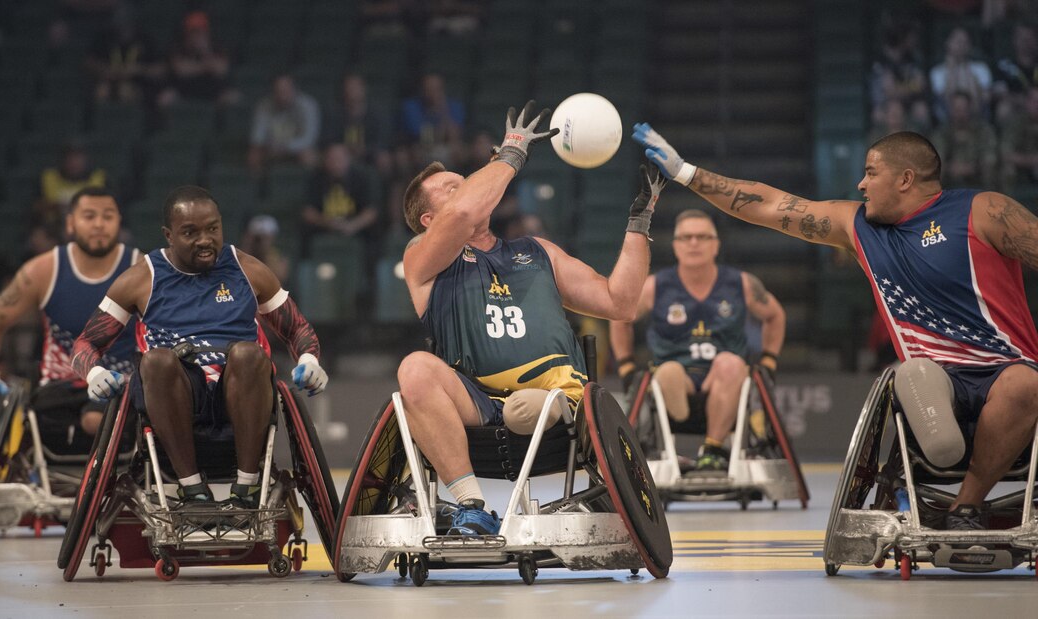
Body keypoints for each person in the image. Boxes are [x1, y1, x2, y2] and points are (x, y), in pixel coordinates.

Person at [633, 124, 1038, 530]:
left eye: (871, 172)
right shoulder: (858, 226)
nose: (861, 184)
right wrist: (686, 172)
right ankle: (941, 471)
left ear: (905, 179)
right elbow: (770, 205)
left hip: (1007, 373)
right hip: (933, 380)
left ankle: (964, 507)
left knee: (1024, 383)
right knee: (915, 379)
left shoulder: (983, 211)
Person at [397, 100, 666, 535]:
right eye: (453, 187)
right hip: (481, 404)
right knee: (414, 368)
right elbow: (462, 213)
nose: (469, 189)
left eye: (468, 182)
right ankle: (470, 506)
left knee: (529, 408)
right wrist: (512, 154)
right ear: (429, 220)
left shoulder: (537, 251)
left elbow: (622, 303)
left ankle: (552, 407)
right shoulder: (422, 259)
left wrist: (640, 221)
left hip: (561, 396)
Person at [70, 186, 328, 507]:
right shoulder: (141, 278)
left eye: (212, 229)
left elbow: (297, 328)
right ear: (169, 235)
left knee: (249, 353)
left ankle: (246, 486)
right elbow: (85, 343)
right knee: (155, 361)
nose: (205, 239)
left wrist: (309, 359)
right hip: (176, 395)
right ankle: (192, 487)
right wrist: (93, 372)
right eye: (190, 232)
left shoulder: (247, 269)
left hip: (239, 393)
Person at [609, 209, 786, 474]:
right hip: (674, 387)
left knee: (730, 364)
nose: (694, 243)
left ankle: (713, 449)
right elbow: (619, 317)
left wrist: (769, 361)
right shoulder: (655, 286)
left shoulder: (743, 284)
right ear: (675, 245)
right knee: (669, 371)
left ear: (716, 245)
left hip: (725, 383)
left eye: (702, 237)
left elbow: (775, 315)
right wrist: (625, 367)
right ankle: (676, 448)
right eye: (686, 237)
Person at [0, 188, 138, 442]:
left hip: (119, 385)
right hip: (59, 389)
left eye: (108, 216)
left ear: (119, 222)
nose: (99, 224)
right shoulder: (44, 270)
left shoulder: (139, 268)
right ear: (70, 223)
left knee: (97, 419)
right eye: (89, 216)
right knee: (35, 422)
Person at [247, 73, 321, 174]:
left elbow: (309, 139)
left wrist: (285, 146)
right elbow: (257, 138)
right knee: (254, 155)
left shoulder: (308, 106)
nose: (282, 95)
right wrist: (269, 146)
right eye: (279, 91)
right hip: (272, 148)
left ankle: (309, 187)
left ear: (294, 90)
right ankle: (260, 187)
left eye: (286, 90)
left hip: (297, 149)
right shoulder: (263, 106)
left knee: (309, 156)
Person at [929, 90, 998, 188]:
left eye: (963, 109)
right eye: (956, 109)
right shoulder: (941, 132)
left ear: (970, 108)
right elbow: (937, 158)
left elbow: (989, 155)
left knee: (991, 169)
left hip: (977, 176)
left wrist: (971, 168)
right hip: (948, 179)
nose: (960, 113)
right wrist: (950, 168)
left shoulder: (983, 130)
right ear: (950, 109)